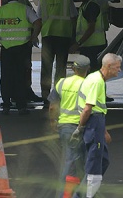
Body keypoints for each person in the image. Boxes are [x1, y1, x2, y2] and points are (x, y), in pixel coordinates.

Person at [72, 53, 122, 198]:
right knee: (94, 165)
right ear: (109, 66)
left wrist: (103, 131)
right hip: (93, 124)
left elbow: (96, 108)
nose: (119, 70)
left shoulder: (96, 78)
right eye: (117, 67)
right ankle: (85, 195)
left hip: (97, 123)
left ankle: (89, 190)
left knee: (103, 160)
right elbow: (88, 109)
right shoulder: (97, 82)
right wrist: (80, 128)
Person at [0, 0, 42, 115]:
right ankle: (21, 106)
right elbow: (37, 22)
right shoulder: (24, 9)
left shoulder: (1, 11)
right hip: (22, 47)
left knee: (6, 76)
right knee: (20, 76)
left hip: (6, 48)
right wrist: (33, 36)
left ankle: (6, 104)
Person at [48, 54, 90, 198]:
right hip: (80, 127)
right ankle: (66, 195)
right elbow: (89, 109)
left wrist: (53, 122)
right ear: (87, 70)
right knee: (76, 163)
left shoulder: (61, 83)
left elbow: (53, 106)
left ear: (73, 68)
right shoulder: (88, 85)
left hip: (65, 127)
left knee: (71, 161)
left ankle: (72, 193)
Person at [39, 0, 78, 100]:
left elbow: (39, 18)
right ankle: (58, 94)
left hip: (47, 36)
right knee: (61, 67)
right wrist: (74, 38)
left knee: (46, 66)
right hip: (63, 35)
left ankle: (45, 94)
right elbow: (73, 18)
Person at [17, 0, 44, 103]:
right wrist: (33, 36)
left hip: (24, 38)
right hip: (24, 39)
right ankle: (25, 91)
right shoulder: (21, 1)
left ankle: (23, 91)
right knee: (25, 67)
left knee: (24, 66)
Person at [70, 0, 105, 73]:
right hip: (87, 45)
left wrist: (78, 43)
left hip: (93, 46)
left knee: (93, 72)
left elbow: (91, 28)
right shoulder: (84, 6)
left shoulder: (91, 6)